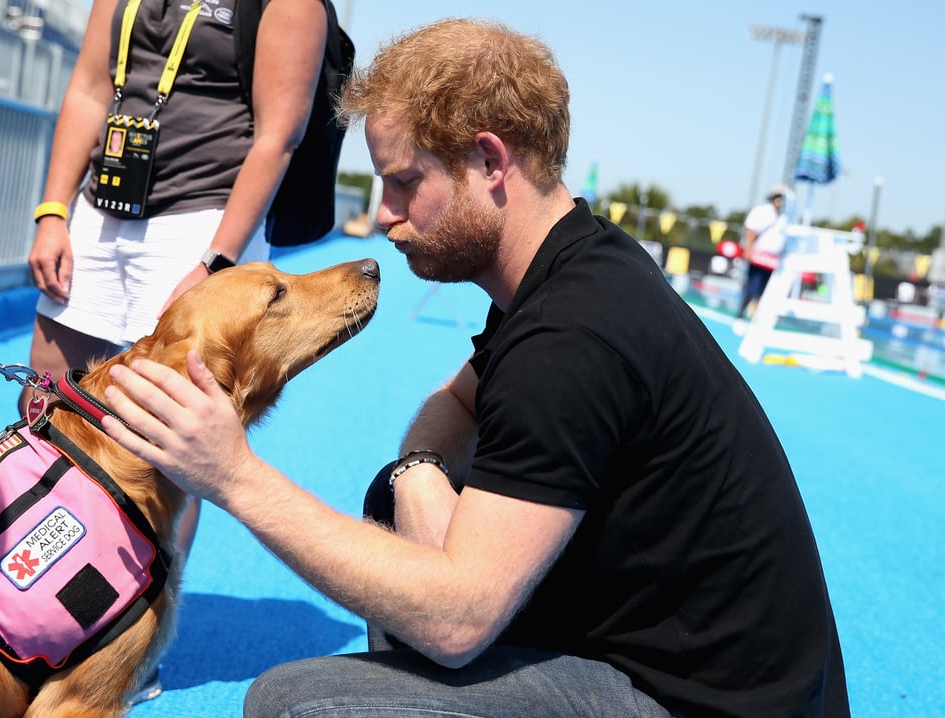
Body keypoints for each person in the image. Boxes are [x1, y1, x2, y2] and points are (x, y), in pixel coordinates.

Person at [100, 19, 850, 718]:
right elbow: (455, 403)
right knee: (396, 510)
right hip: (663, 657)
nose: (385, 213)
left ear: (490, 161)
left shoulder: (573, 338)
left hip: (695, 704)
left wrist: (233, 476)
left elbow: (457, 621)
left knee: (296, 701)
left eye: (403, 182)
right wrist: (420, 470)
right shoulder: (577, 264)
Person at [22, 0, 330, 703]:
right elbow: (89, 89)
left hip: (202, 220)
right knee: (43, 408)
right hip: (104, 210)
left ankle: (129, 633)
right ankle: (38, 601)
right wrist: (52, 210)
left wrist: (218, 261)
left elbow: (276, 137)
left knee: (172, 435)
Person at [734, 184, 791, 334]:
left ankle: (756, 319)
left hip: (775, 260)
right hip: (759, 255)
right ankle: (740, 315)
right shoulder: (761, 211)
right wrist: (749, 248)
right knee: (752, 287)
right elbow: (751, 229)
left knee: (765, 292)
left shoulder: (787, 216)